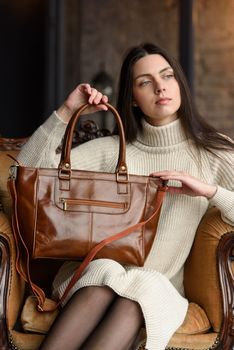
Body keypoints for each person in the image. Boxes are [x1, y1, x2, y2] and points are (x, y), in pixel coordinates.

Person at [17, 43, 234, 350]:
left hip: (158, 284)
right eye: (145, 82)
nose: (160, 87)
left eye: (167, 76)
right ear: (132, 97)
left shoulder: (212, 153)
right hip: (96, 277)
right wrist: (67, 111)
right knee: (108, 276)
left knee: (140, 292)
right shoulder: (112, 151)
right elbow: (24, 176)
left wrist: (209, 191)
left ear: (179, 83)